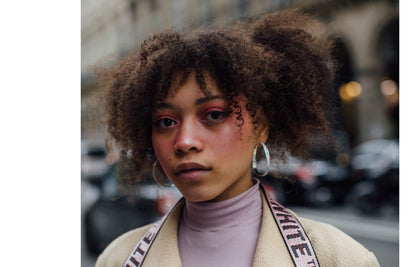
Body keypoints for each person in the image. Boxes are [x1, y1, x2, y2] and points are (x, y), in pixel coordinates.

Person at [95, 9, 380, 267]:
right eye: (166, 121)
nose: (184, 141)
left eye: (214, 115)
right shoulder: (117, 259)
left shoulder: (341, 259)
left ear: (261, 127)